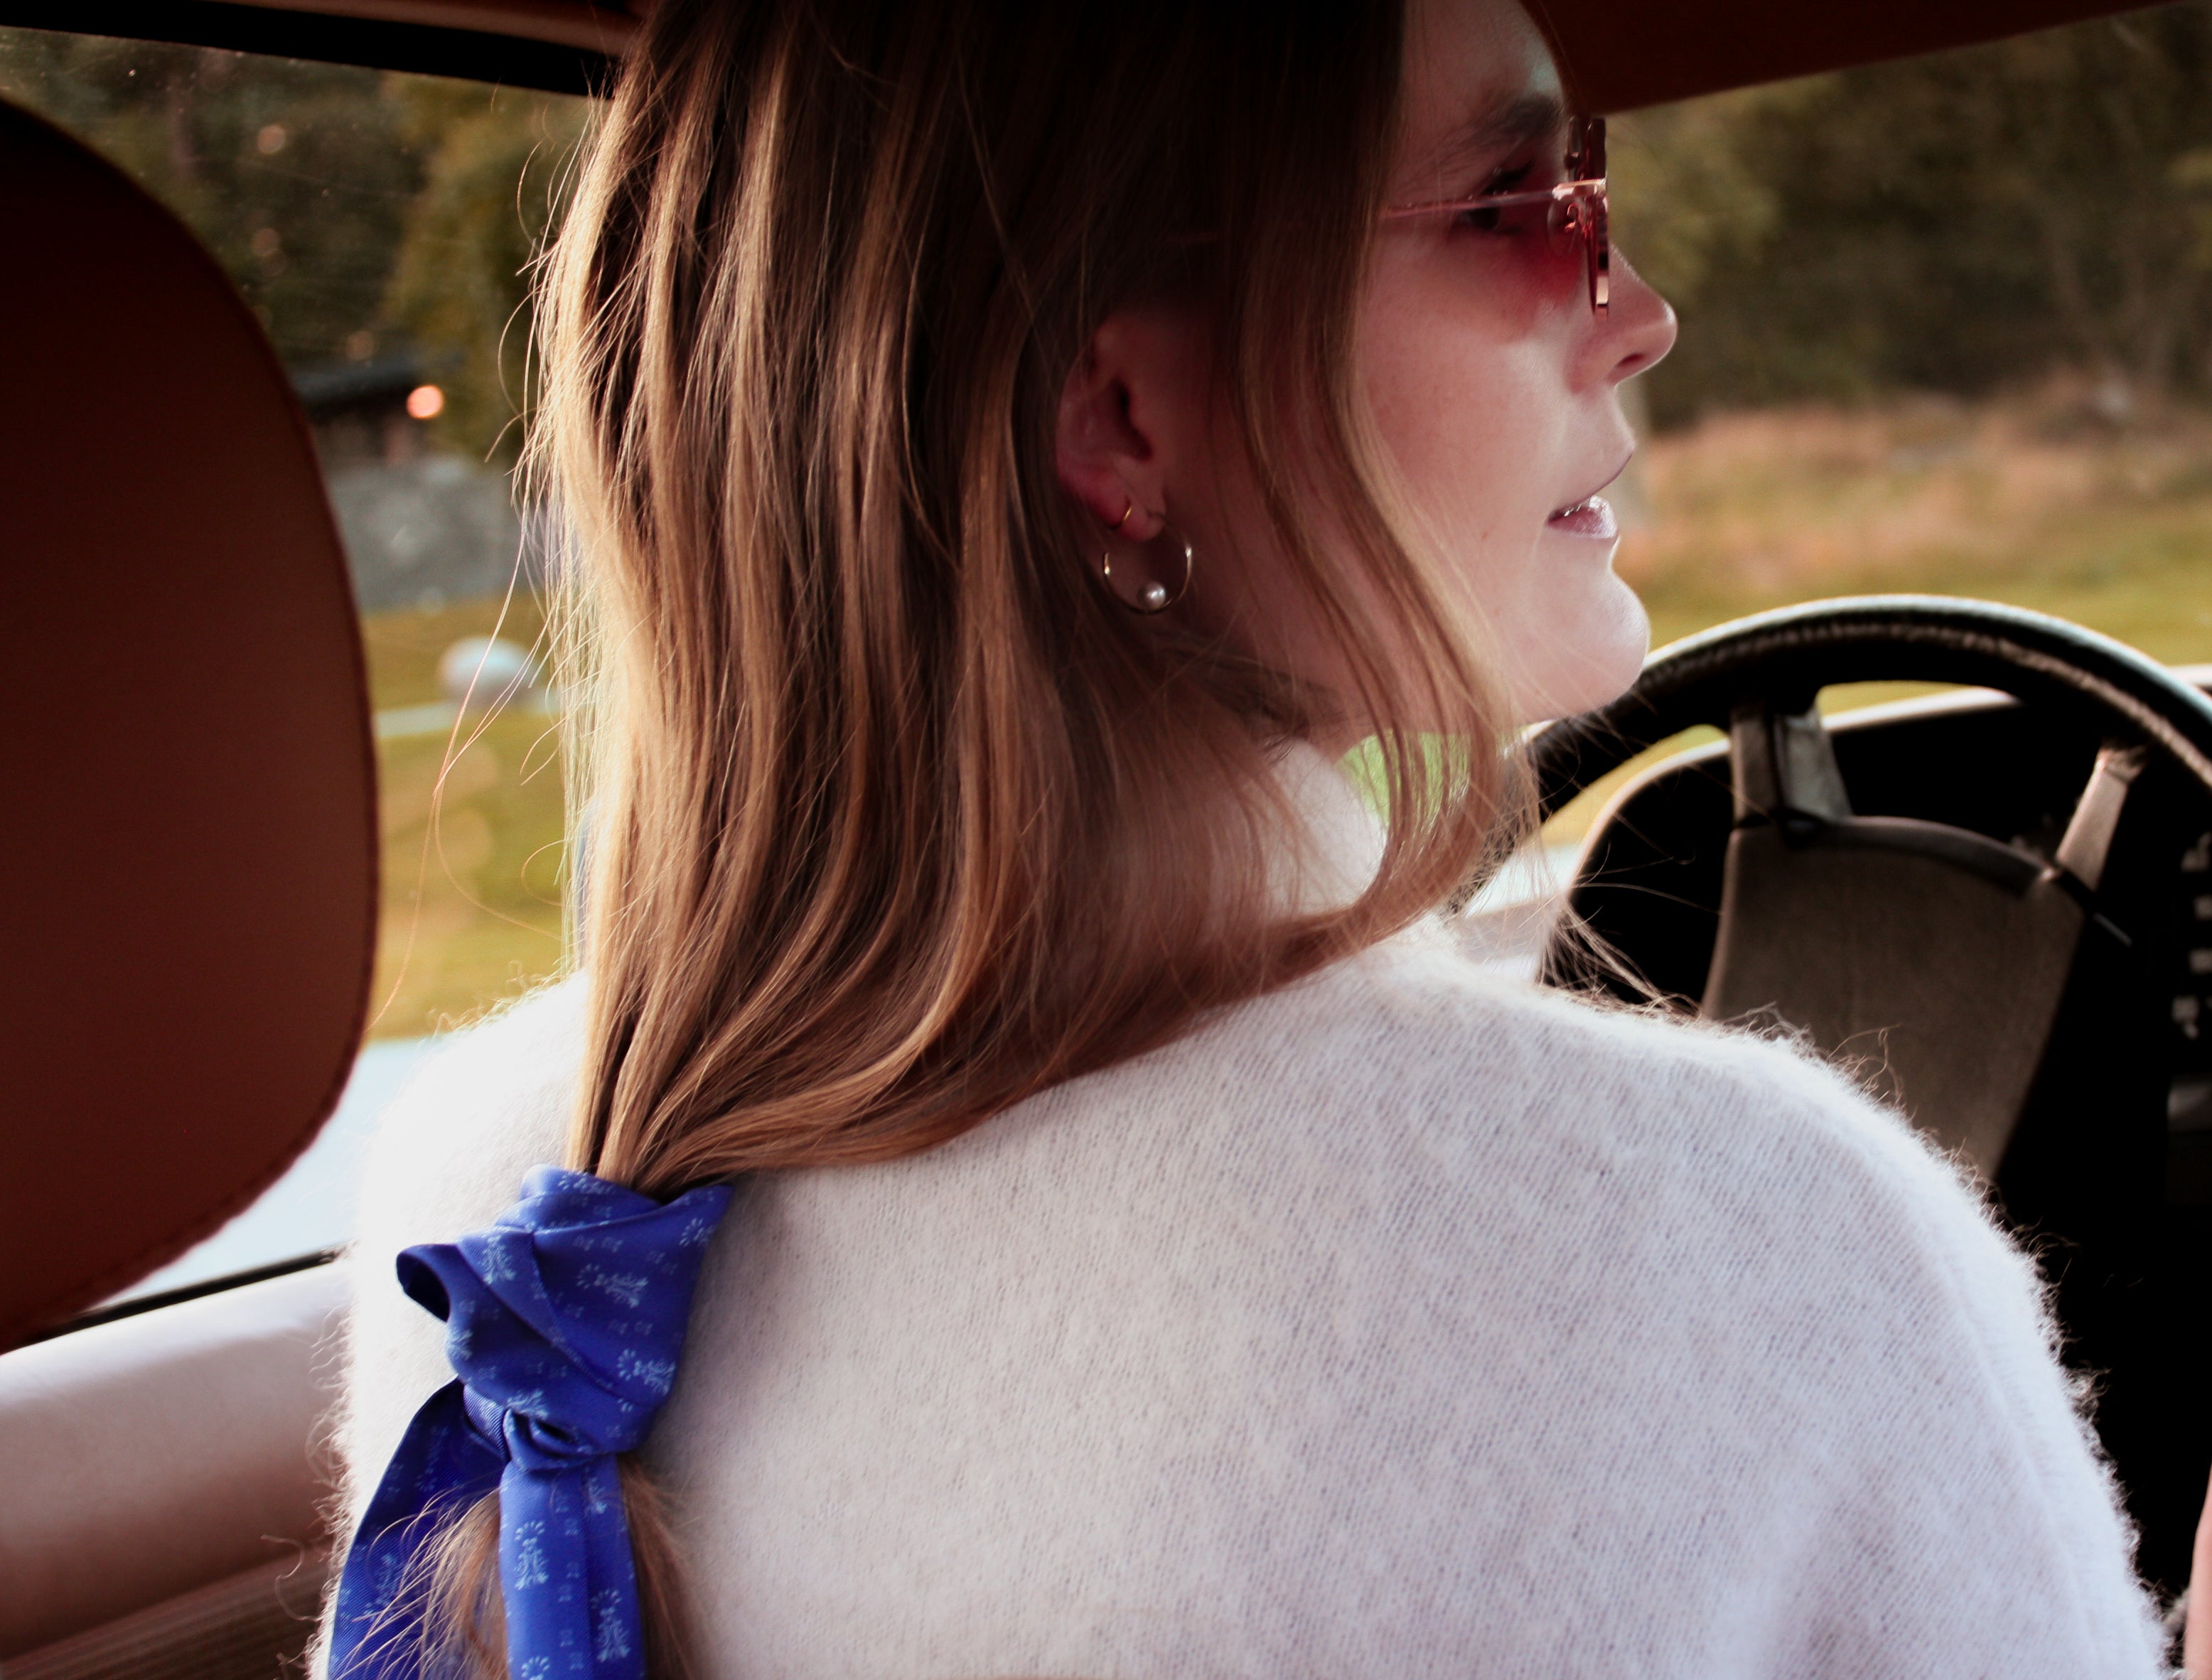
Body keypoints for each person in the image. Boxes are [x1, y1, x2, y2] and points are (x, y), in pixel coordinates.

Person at [316, 0, 2176, 1673]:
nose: (1637, 311)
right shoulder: (1754, 1249)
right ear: (1122, 415)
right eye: (1521, 207)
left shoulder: (490, 1203)